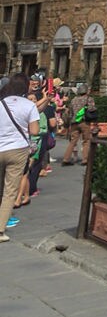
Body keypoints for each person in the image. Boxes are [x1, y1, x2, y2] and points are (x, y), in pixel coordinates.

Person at [0, 75, 41, 242]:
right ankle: (0, 229)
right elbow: (35, 131)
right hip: (17, 150)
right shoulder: (29, 105)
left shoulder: (1, 103)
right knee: (9, 191)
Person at [61, 83, 97, 166]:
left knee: (73, 141)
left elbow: (70, 112)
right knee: (86, 140)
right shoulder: (89, 99)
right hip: (84, 122)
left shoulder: (74, 99)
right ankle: (85, 159)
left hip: (74, 122)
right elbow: (92, 109)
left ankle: (66, 158)